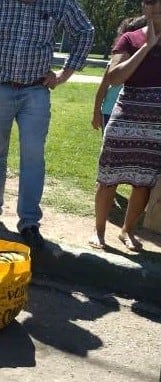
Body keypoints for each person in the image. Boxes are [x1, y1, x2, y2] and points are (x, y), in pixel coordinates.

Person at [0, 0, 94, 250]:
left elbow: (85, 31)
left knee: (33, 157)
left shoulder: (59, 3)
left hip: (36, 91)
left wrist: (64, 74)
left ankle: (29, 222)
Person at [89, 0, 161, 251]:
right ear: (143, 6)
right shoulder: (130, 39)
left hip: (157, 123)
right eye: (150, 1)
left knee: (143, 182)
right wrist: (146, 48)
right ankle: (99, 232)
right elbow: (114, 76)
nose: (156, 6)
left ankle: (127, 231)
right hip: (125, 114)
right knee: (108, 177)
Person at [91, 16, 148, 133]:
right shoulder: (115, 63)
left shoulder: (147, 62)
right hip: (110, 111)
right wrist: (96, 113)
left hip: (134, 113)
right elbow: (102, 88)